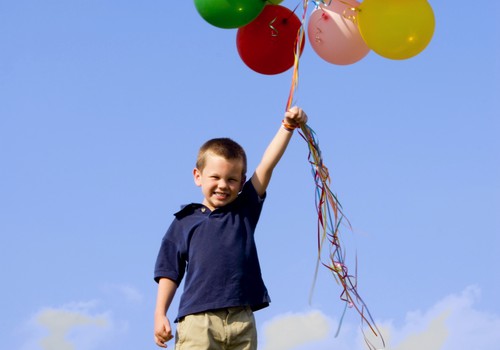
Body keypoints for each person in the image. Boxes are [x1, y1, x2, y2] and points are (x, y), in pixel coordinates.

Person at [153, 106, 308, 349]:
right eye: (215, 177)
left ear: (242, 182)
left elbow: (267, 165)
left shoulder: (243, 210)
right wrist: (160, 313)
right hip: (198, 321)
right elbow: (169, 271)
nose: (223, 185)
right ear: (198, 176)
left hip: (241, 320)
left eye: (232, 179)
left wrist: (287, 127)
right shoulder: (184, 222)